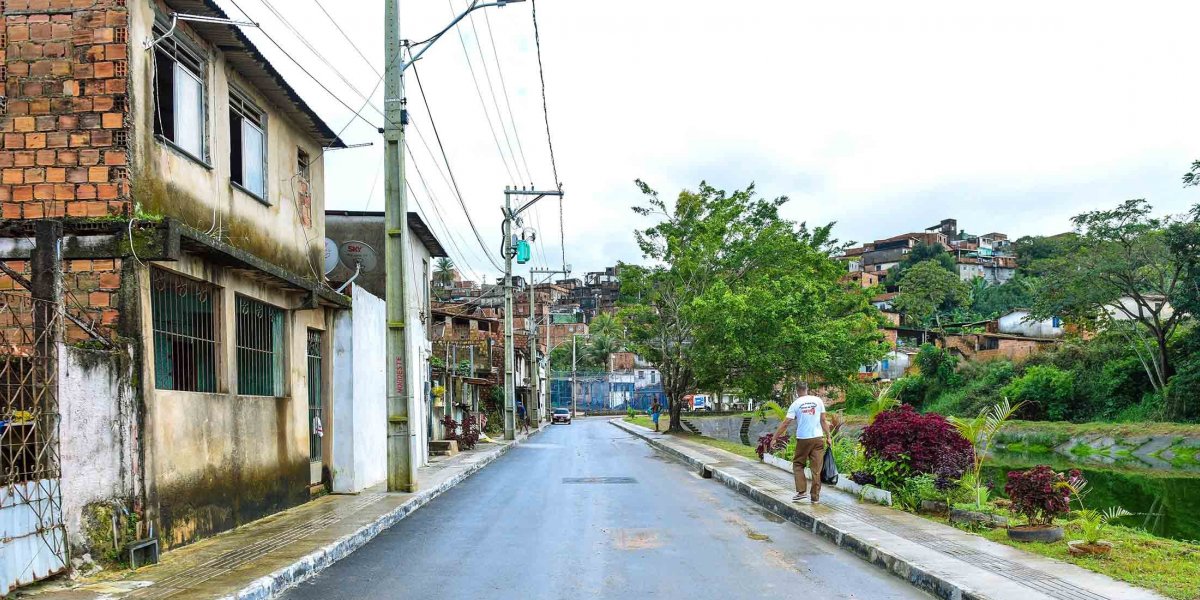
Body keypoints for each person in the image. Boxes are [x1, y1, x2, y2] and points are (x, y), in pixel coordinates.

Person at [770, 382, 830, 504]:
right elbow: (823, 420)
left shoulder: (796, 404)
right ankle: (815, 498)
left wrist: (774, 437)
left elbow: (786, 422)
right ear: (807, 389)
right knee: (816, 469)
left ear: (797, 391)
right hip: (818, 438)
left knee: (798, 464)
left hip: (804, 439)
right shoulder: (818, 401)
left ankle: (802, 492)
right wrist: (829, 436)